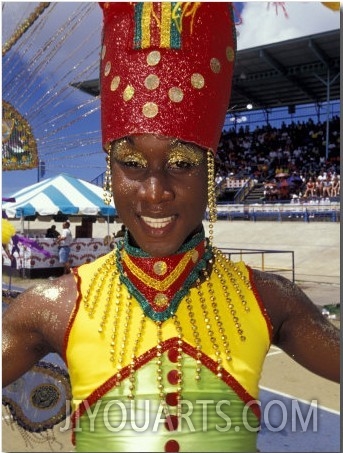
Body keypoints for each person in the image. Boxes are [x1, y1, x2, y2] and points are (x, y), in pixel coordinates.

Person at [2, 4, 339, 453]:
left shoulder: (270, 301)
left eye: (181, 164)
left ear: (209, 173)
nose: (155, 192)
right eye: (132, 164)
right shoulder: (49, 307)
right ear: (110, 174)